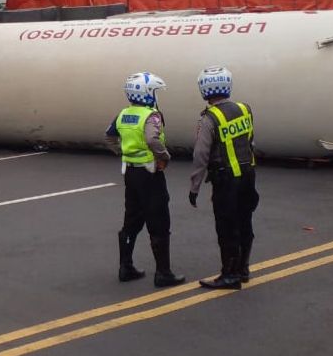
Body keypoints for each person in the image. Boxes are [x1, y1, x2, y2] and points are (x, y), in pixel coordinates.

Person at [105, 71, 185, 288]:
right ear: (147, 93)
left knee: (132, 219)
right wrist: (164, 156)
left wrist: (123, 152)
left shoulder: (123, 114)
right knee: (159, 221)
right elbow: (152, 138)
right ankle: (163, 272)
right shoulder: (151, 115)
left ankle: (126, 267)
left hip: (131, 173)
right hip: (150, 173)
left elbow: (110, 136)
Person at [189, 65, 259, 290]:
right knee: (245, 222)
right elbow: (250, 140)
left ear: (204, 90)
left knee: (227, 226)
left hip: (226, 179)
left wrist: (195, 187)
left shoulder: (209, 118)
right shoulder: (245, 108)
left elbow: (201, 154)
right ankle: (243, 269)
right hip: (248, 175)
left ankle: (229, 275)